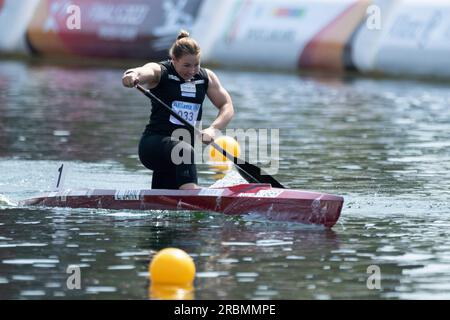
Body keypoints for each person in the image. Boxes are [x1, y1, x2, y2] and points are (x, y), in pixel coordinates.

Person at [122, 30, 234, 190]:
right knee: (184, 149)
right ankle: (194, 195)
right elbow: (144, 71)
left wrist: (213, 128)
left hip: (180, 155)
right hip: (154, 145)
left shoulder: (205, 77)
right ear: (174, 60)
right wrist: (132, 75)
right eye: (186, 65)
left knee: (165, 204)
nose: (192, 71)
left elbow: (227, 106)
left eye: (196, 64)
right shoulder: (162, 71)